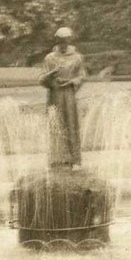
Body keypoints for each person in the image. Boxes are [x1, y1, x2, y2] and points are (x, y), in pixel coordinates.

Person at [40, 27, 89, 168]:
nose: (63, 43)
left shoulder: (77, 57)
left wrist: (72, 81)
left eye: (66, 40)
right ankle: (55, 159)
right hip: (54, 94)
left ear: (69, 40)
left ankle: (75, 161)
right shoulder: (49, 58)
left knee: (71, 125)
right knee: (54, 124)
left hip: (68, 94)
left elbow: (82, 75)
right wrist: (51, 74)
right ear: (57, 40)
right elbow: (41, 79)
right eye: (60, 40)